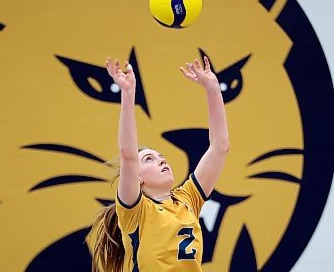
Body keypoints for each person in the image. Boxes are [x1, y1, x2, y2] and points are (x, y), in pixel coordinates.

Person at [89, 56, 229, 272]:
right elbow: (127, 154)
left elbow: (220, 147)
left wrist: (212, 88)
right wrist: (128, 93)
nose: (162, 160)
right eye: (149, 159)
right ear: (138, 177)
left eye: (161, 156)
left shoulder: (187, 199)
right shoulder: (135, 211)